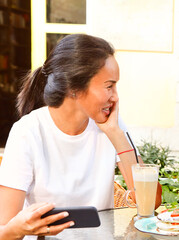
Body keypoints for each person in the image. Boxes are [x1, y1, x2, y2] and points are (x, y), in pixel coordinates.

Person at [0, 34, 162, 239]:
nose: (116, 97)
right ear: (74, 88)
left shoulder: (111, 126)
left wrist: (115, 134)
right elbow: (4, 229)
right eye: (109, 86)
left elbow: (150, 202)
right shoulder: (28, 132)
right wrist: (21, 228)